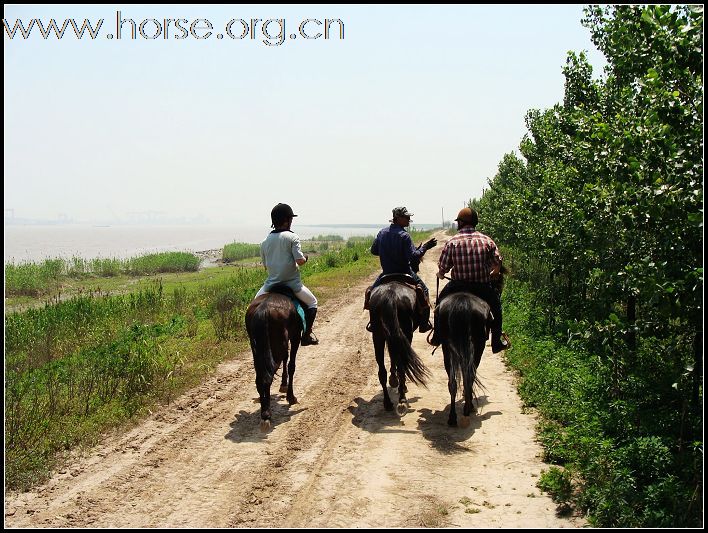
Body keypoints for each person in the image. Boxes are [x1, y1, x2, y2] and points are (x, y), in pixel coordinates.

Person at [429, 207, 509, 353]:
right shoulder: (487, 240)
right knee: (496, 309)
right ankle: (496, 341)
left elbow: (443, 267)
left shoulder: (453, 241)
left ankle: (437, 335)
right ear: (474, 222)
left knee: (439, 305)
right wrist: (495, 272)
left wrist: (441, 273)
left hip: (457, 286)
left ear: (461, 223)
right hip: (482, 287)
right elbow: (497, 262)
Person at [255, 203, 319, 346]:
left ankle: (255, 338)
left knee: (253, 307)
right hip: (292, 284)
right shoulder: (292, 238)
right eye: (290, 219)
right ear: (286, 220)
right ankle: (306, 335)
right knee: (313, 302)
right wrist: (305, 258)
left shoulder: (264, 242)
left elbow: (266, 266)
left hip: (271, 284)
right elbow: (300, 261)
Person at [366, 206, 437, 332]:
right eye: (406, 217)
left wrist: (386, 252)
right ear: (397, 219)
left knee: (371, 292)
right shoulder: (405, 236)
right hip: (405, 272)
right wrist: (425, 247)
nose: (409, 219)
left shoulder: (382, 233)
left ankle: (373, 322)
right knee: (424, 290)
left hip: (386, 273)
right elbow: (414, 256)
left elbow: (373, 250)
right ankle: (424, 324)